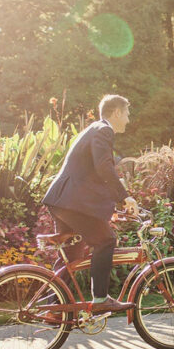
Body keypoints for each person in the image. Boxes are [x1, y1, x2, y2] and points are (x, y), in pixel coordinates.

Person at [42, 94, 139, 312]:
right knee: (105, 240)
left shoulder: (94, 129)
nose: (128, 120)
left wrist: (112, 204)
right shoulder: (104, 130)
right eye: (127, 114)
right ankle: (100, 299)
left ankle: (54, 309)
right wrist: (125, 197)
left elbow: (90, 174)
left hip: (63, 200)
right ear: (116, 113)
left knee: (72, 256)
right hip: (71, 201)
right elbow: (104, 167)